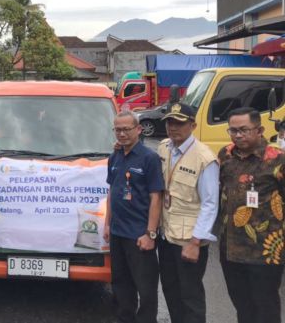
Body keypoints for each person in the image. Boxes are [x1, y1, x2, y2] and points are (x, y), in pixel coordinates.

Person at [214, 107, 285, 323]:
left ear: (260, 130)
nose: (238, 135)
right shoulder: (225, 155)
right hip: (231, 248)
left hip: (265, 251)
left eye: (244, 130)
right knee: (242, 306)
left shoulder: (277, 159)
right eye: (233, 130)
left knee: (265, 307)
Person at [157, 103, 219, 323]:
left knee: (190, 295)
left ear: (192, 125)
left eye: (180, 123)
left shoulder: (205, 158)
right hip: (166, 235)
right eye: (170, 122)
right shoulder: (164, 147)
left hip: (189, 240)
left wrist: (195, 242)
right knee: (170, 290)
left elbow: (210, 203)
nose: (173, 128)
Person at [103, 110, 164, 323]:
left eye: (126, 129)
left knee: (146, 288)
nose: (121, 134)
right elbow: (112, 192)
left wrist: (150, 233)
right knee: (121, 283)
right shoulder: (115, 157)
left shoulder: (150, 158)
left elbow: (156, 197)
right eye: (117, 130)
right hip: (118, 232)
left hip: (139, 234)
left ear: (138, 129)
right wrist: (107, 224)